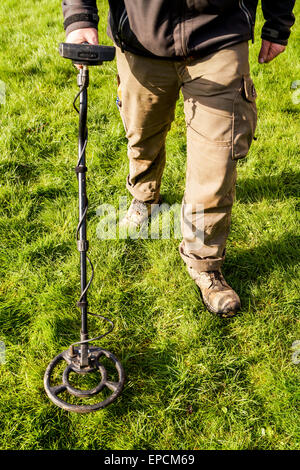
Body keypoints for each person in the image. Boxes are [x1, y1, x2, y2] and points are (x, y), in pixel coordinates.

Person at [62, 1, 295, 318]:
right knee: (142, 136)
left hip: (219, 36)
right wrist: (79, 18)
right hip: (140, 36)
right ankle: (145, 197)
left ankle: (205, 264)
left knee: (217, 161)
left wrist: (278, 23)